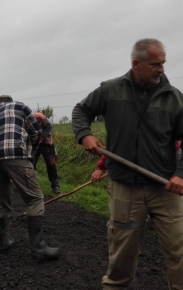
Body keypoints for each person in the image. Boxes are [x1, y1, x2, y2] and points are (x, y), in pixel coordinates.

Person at [72, 38, 183, 289]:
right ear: (136, 64)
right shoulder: (111, 90)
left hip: (165, 189)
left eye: (163, 63)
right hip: (125, 190)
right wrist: (84, 134)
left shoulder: (175, 99)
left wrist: (180, 173)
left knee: (180, 252)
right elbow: (81, 111)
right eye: (156, 64)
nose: (162, 69)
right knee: (122, 258)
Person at [0, 95, 59, 261]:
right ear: (10, 101)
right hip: (16, 155)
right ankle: (38, 248)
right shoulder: (20, 106)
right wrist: (29, 152)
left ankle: (3, 243)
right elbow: (37, 132)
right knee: (35, 199)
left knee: (3, 202)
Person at [33, 112, 60, 193]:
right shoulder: (24, 121)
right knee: (31, 163)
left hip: (46, 143)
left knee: (51, 164)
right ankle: (32, 185)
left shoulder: (39, 116)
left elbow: (49, 126)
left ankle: (55, 186)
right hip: (34, 144)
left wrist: (42, 137)